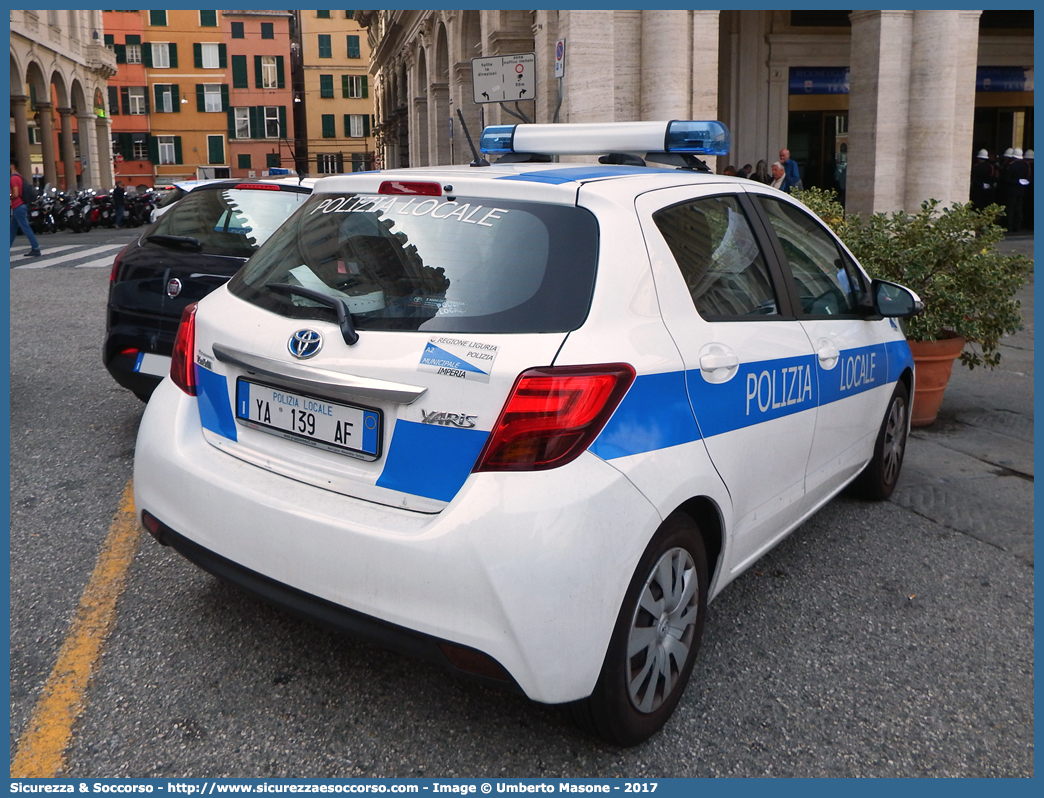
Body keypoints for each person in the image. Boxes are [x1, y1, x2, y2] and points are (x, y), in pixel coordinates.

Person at [10, 159, 41, 257]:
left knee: (26, 228)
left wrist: (9, 197)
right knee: (12, 229)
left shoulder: (13, 178)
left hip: (18, 205)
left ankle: (36, 248)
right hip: (20, 206)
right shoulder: (19, 177)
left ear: (12, 166)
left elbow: (15, 193)